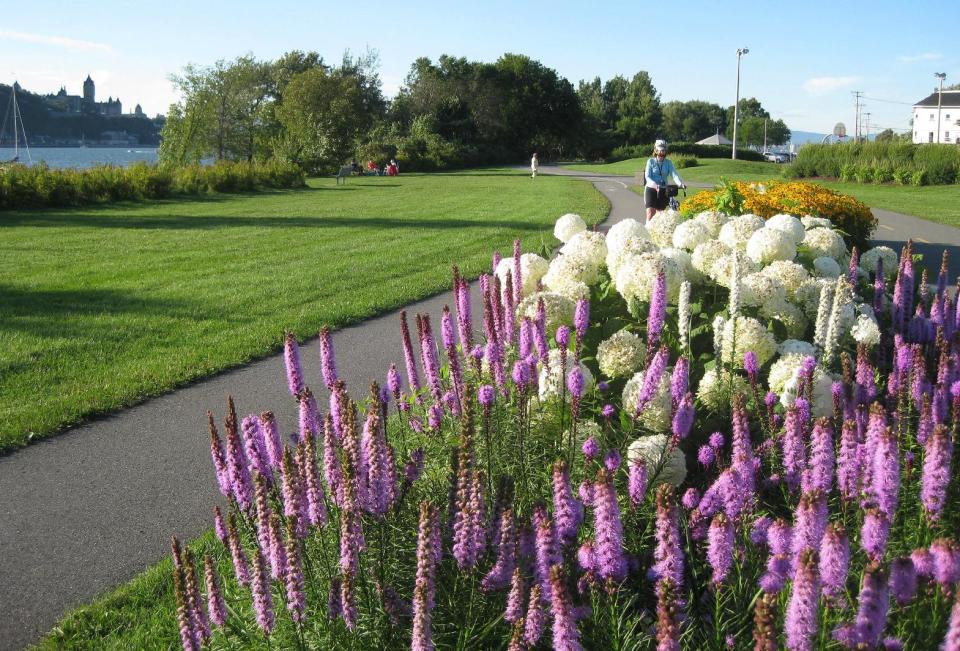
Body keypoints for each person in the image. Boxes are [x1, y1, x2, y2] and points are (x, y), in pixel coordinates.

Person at [644, 140, 685, 221]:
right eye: (661, 150)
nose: (662, 153)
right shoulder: (650, 161)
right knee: (650, 212)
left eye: (664, 151)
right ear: (656, 150)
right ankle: (647, 230)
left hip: (663, 190)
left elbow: (674, 174)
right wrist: (655, 185)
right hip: (651, 189)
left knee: (660, 214)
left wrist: (680, 184)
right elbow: (647, 177)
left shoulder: (668, 162)